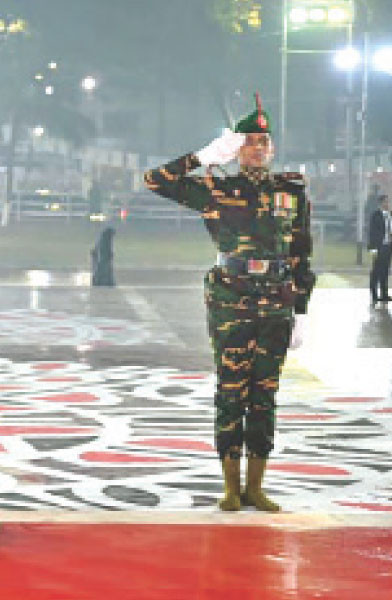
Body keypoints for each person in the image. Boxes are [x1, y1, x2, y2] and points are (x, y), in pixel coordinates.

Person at [143, 94, 315, 512]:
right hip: (231, 299)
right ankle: (230, 487)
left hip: (275, 301)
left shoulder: (290, 194)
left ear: (271, 149)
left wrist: (302, 310)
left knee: (265, 394)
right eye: (250, 141)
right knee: (231, 391)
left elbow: (300, 255)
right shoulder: (216, 189)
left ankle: (256, 486)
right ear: (236, 149)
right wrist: (203, 156)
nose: (258, 148)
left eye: (264, 141)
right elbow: (155, 180)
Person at [368, 194, 391, 307]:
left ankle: (384, 294)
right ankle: (374, 294)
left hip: (388, 246)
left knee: (385, 271)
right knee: (376, 270)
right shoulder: (375, 215)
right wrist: (373, 248)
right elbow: (372, 232)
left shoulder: (390, 215)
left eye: (388, 202)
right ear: (381, 203)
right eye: (385, 202)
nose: (387, 204)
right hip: (378, 247)